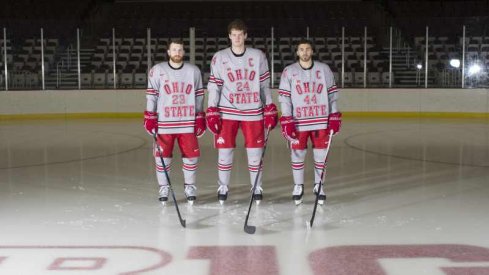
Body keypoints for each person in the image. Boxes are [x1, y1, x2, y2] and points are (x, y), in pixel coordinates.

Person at [206, 19, 278, 204]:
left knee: (255, 152)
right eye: (234, 34)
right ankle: (223, 187)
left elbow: (264, 84)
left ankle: (256, 187)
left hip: (253, 110)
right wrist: (212, 108)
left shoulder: (258, 56)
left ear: (245, 36)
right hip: (226, 111)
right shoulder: (219, 57)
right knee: (225, 151)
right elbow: (215, 85)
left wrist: (269, 106)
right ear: (229, 36)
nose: (237, 38)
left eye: (240, 34)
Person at [278, 39, 342, 205]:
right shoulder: (289, 71)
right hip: (299, 121)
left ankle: (319, 185)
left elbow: (332, 94)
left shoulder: (324, 69)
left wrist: (334, 115)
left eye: (307, 49)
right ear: (297, 52)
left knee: (321, 155)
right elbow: (285, 97)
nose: (305, 52)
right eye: (301, 49)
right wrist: (287, 118)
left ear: (312, 51)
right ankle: (298, 185)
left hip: (321, 120)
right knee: (297, 154)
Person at [144, 39, 206, 205]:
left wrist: (200, 116)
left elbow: (199, 95)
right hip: (165, 123)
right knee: (162, 157)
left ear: (184, 52)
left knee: (191, 157)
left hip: (187, 122)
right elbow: (152, 95)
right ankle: (164, 187)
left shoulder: (193, 71)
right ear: (168, 52)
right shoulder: (157, 70)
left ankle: (190, 187)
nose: (177, 52)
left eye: (180, 49)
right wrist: (150, 116)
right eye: (174, 49)